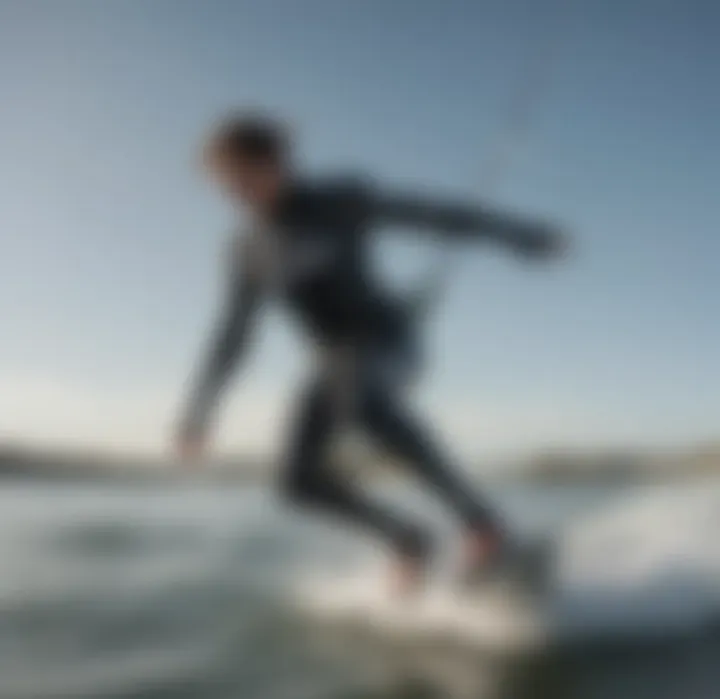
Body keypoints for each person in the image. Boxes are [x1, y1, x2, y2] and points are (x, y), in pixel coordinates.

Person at [175, 112, 563, 596]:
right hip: (332, 363)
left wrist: (520, 237)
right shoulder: (246, 249)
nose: (234, 191)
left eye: (242, 176)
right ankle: (406, 539)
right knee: (296, 483)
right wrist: (199, 412)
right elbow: (232, 335)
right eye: (224, 183)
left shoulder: (340, 201)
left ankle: (484, 526)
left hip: (388, 341)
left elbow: (434, 215)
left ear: (276, 161)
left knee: (359, 400)